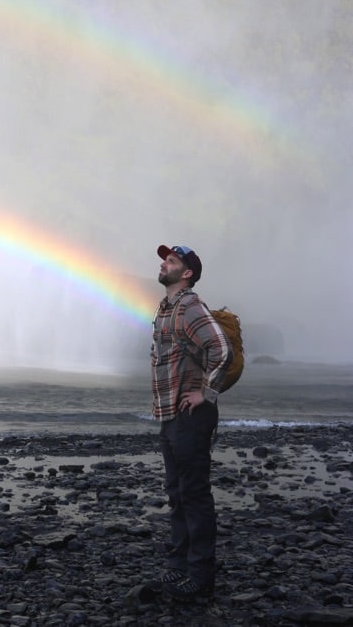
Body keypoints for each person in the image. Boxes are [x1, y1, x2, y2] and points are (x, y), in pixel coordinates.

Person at [150, 244, 232, 602]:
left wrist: (206, 393)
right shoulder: (165, 308)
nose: (164, 264)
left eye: (171, 261)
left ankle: (201, 574)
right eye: (165, 260)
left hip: (191, 416)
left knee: (194, 495)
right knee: (176, 493)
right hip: (169, 415)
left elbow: (222, 349)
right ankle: (180, 563)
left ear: (186, 273)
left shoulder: (189, 306)